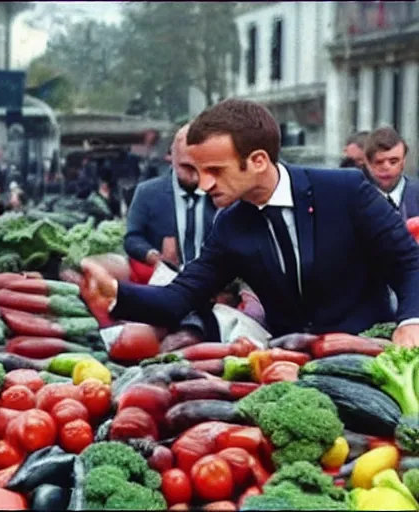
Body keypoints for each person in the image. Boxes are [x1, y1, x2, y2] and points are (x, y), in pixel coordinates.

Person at [79, 98, 419, 348]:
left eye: (215, 171)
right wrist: (116, 294)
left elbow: (408, 263)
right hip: (291, 365)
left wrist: (410, 321)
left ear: (257, 161)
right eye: (198, 171)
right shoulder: (230, 225)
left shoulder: (344, 190)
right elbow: (179, 297)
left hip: (369, 354)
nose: (203, 184)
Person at [124, 124, 217, 271]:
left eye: (201, 165)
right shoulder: (147, 192)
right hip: (167, 284)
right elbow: (132, 238)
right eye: (187, 167)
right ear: (171, 158)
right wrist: (154, 257)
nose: (195, 173)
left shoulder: (221, 192)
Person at [364, 126, 419, 220]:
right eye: (379, 162)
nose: (386, 167)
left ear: (403, 161)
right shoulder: (356, 199)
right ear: (368, 164)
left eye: (393, 161)